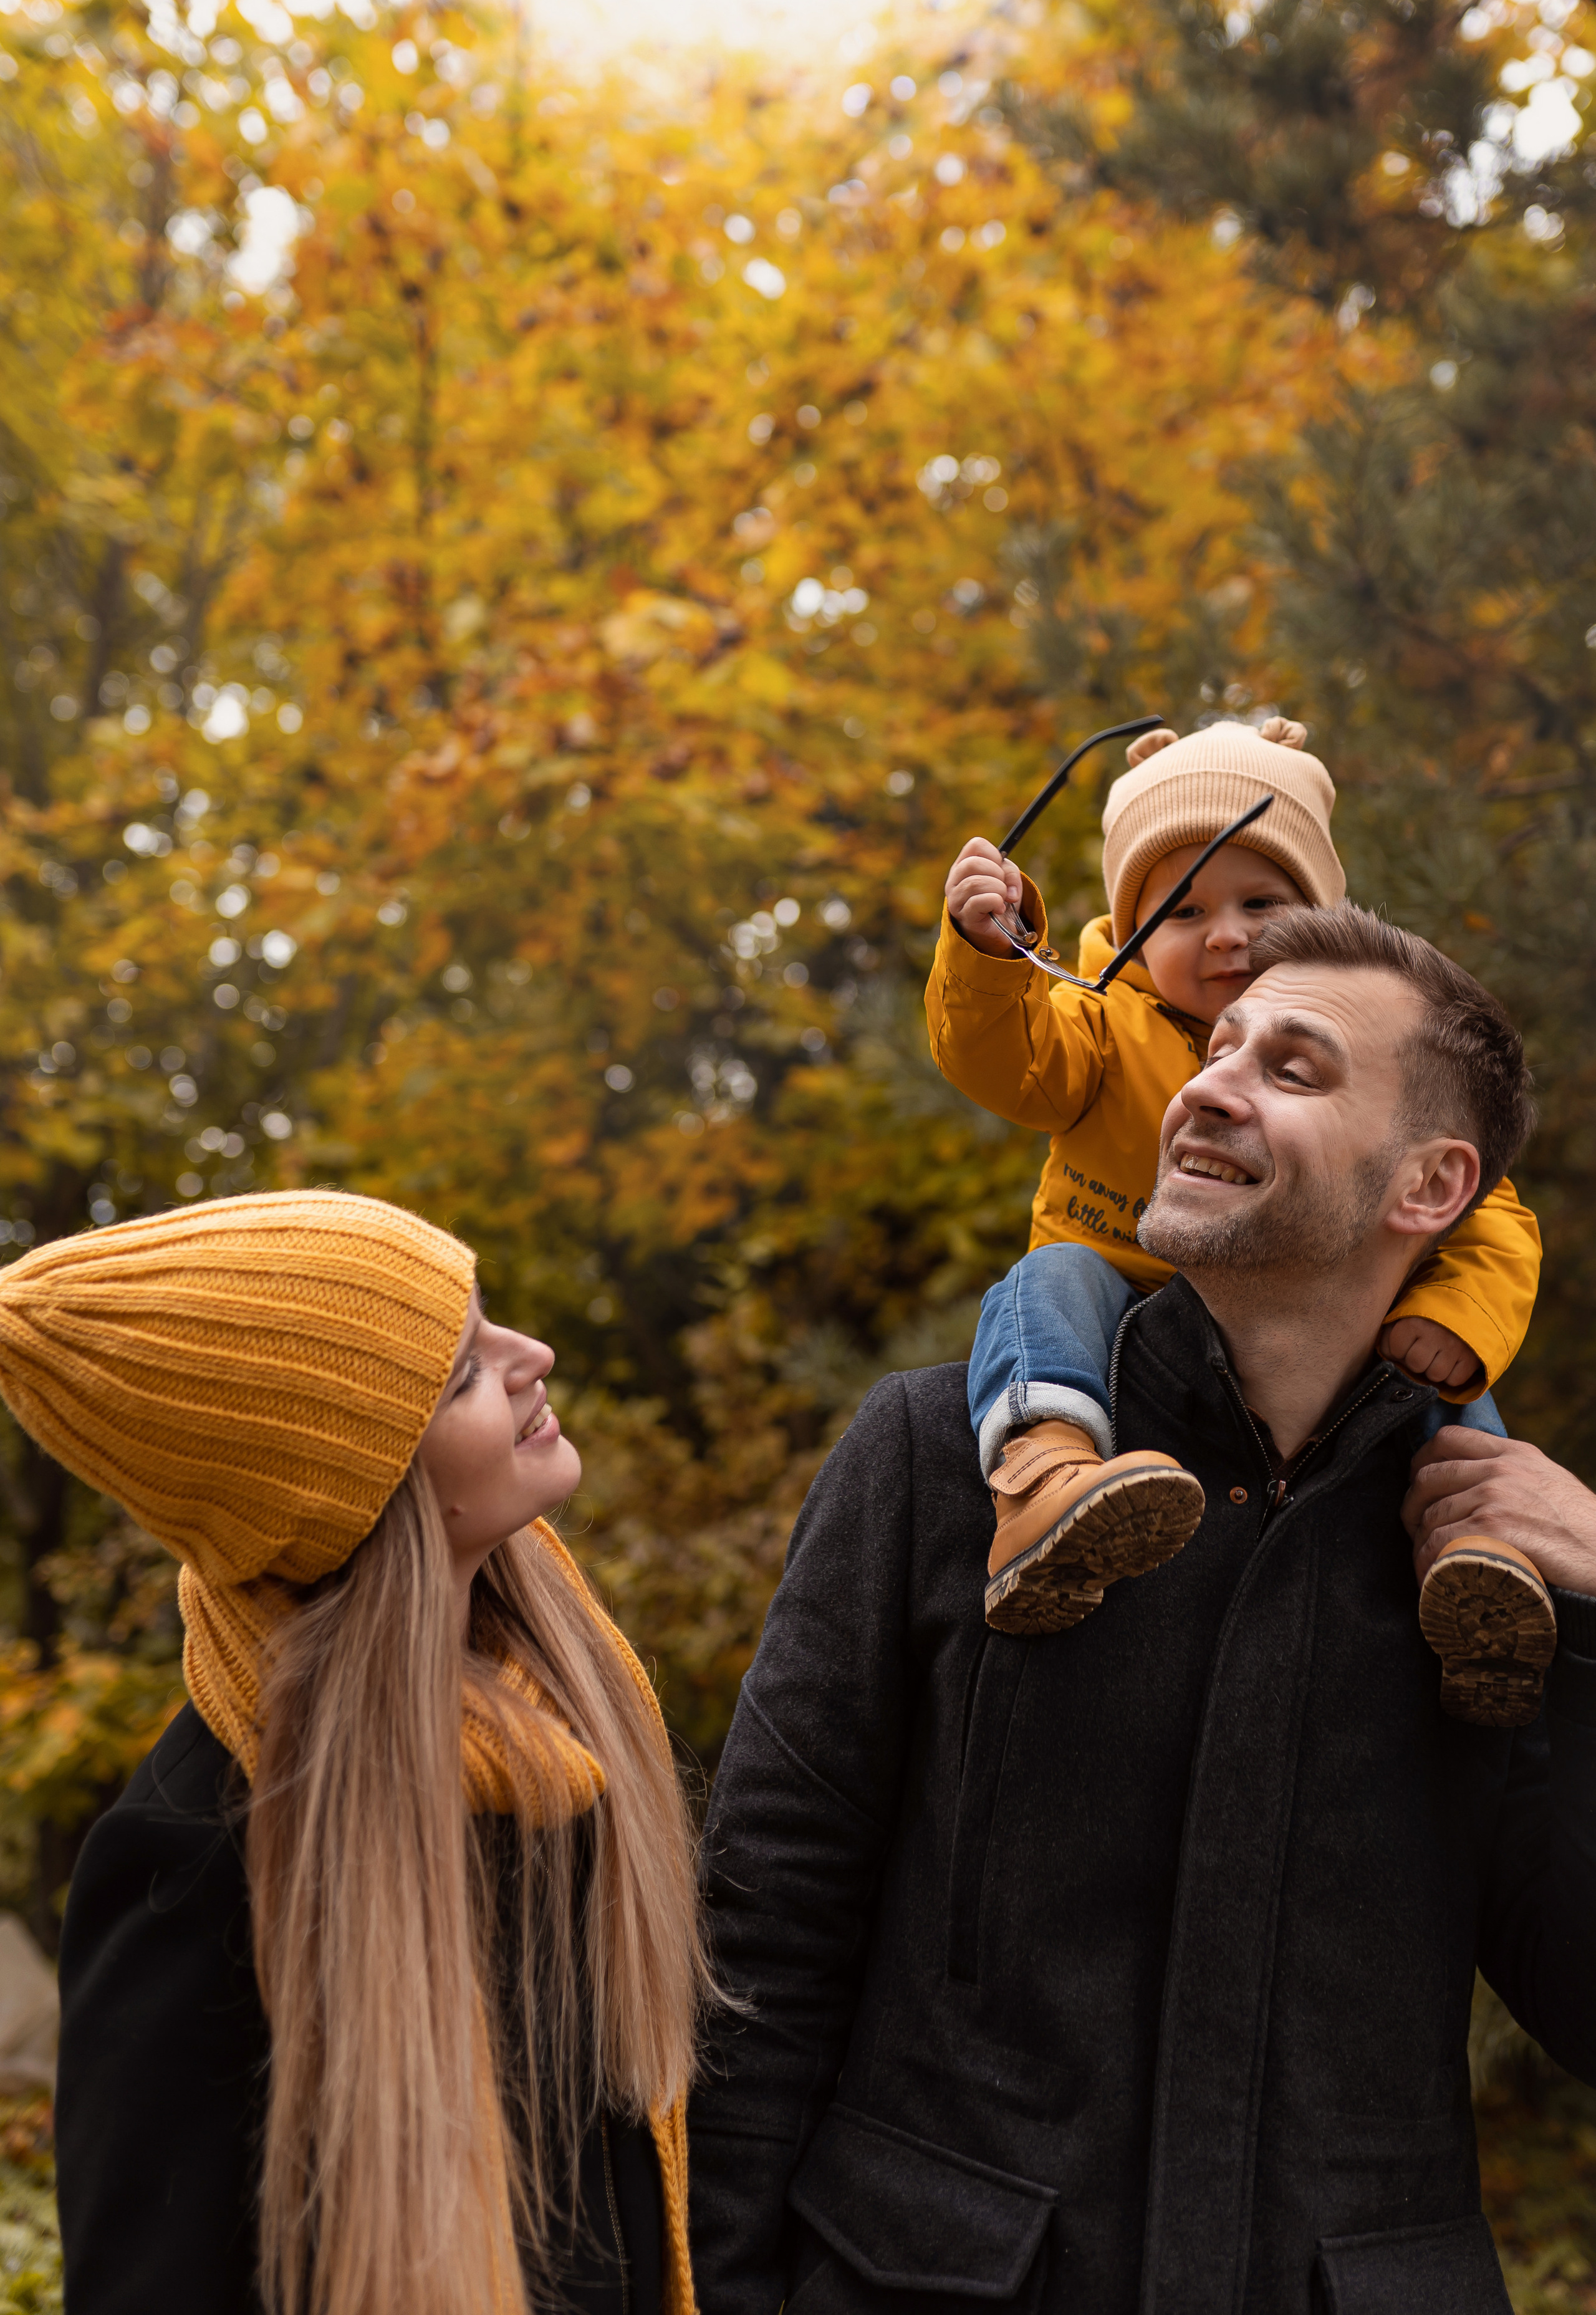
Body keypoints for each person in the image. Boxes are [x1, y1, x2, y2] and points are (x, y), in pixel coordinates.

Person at [691, 903, 1596, 2315]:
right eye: (1216, 1044)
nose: (1204, 1081)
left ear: (1428, 1187)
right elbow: (755, 1949)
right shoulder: (945, 1459)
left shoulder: (1500, 1566)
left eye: (1290, 1069)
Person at [5, 1190, 709, 2315]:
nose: (535, 1357)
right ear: (343, 1491)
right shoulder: (196, 1853)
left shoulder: (569, 1720)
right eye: (464, 1374)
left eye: (489, 1325)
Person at [925, 720, 1546, 1721]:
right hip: (1120, 1300)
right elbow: (1002, 1058)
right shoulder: (1098, 1025)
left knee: (1439, 1395)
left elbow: (1490, 1219)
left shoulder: (1399, 1085)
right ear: (1131, 929)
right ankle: (1044, 1472)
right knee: (1047, 1285)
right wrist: (990, 957)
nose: (1226, 935)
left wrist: (1459, 1318)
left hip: (1321, 1349)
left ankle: (1481, 1562)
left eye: (1263, 903)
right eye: (1183, 910)